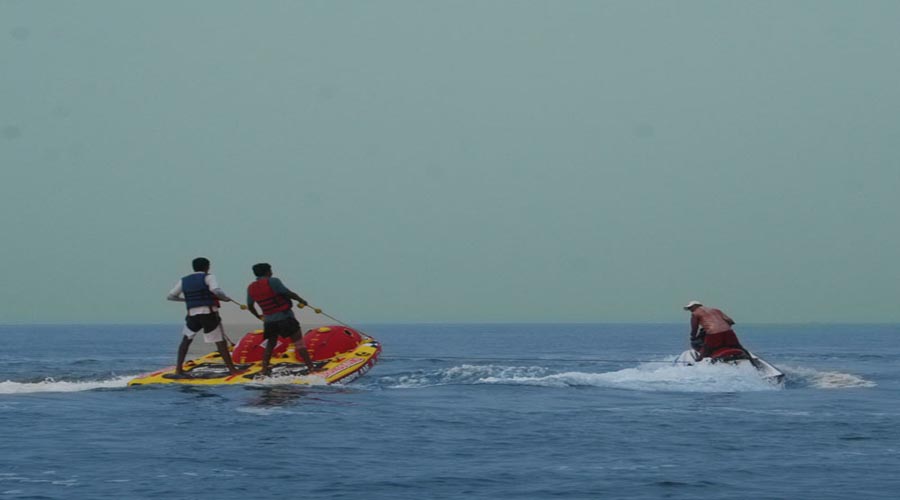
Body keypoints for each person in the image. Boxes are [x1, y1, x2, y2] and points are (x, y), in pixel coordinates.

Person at [167, 257, 240, 377]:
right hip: (208, 313)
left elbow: (171, 296)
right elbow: (215, 290)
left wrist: (187, 299)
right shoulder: (209, 277)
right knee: (220, 342)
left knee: (186, 340)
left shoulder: (184, 280)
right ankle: (232, 370)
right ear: (207, 267)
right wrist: (224, 298)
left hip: (192, 315)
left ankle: (179, 369)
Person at [245, 263, 317, 376]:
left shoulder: (251, 287)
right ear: (267, 272)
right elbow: (287, 293)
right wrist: (301, 300)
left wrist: (258, 316)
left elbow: (250, 305)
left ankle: (264, 369)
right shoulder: (273, 281)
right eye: (270, 270)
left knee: (270, 344)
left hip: (269, 321)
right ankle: (311, 369)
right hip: (285, 317)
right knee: (299, 343)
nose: (272, 272)